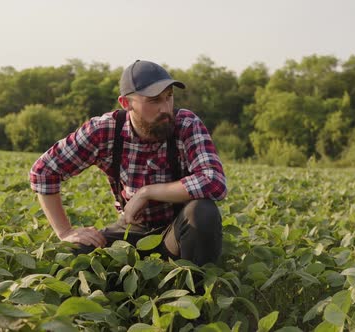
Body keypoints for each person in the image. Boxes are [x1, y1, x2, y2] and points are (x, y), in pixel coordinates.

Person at [29, 60, 227, 266]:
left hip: (178, 231)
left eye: (169, 97)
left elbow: (213, 181)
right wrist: (65, 232)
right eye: (154, 100)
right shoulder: (105, 130)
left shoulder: (186, 124)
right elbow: (43, 171)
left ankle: (192, 291)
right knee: (74, 253)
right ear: (126, 103)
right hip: (131, 230)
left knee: (203, 212)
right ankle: (121, 292)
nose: (165, 108)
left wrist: (147, 192)